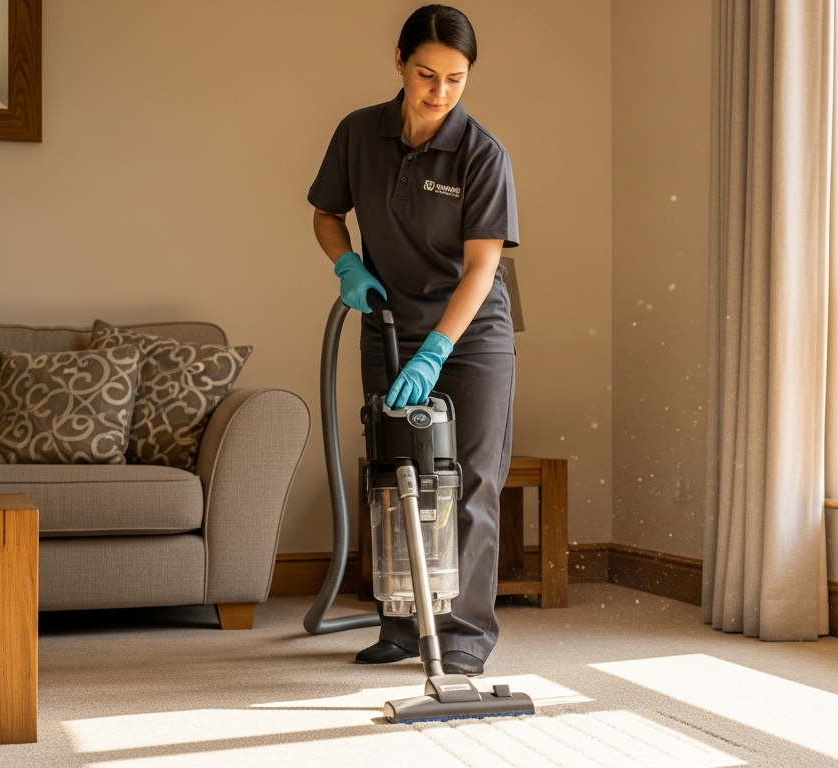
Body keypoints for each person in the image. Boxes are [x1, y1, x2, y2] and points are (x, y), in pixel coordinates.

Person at [308, 4, 517, 676]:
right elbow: (326, 214)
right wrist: (348, 265)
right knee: (393, 476)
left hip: (469, 333)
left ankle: (461, 636)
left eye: (456, 79)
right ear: (399, 61)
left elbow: (483, 265)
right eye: (427, 74)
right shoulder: (359, 133)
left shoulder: (482, 154)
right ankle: (401, 622)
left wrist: (438, 353)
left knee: (471, 481)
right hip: (389, 324)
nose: (439, 92)